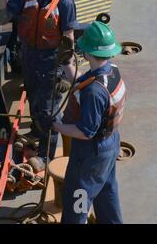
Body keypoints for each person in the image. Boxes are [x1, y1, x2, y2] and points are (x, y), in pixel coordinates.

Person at [0, 0, 77, 172]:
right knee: (33, 97)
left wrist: (64, 75)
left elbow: (68, 38)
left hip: (51, 61)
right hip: (28, 55)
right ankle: (36, 130)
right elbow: (2, 19)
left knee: (49, 111)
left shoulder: (65, 2)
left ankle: (46, 156)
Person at [52, 21, 125, 224]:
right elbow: (83, 82)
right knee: (106, 192)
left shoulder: (94, 92)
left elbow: (86, 131)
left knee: (78, 199)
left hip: (90, 154)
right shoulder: (112, 72)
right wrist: (68, 66)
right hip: (110, 145)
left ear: (88, 53)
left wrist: (55, 125)